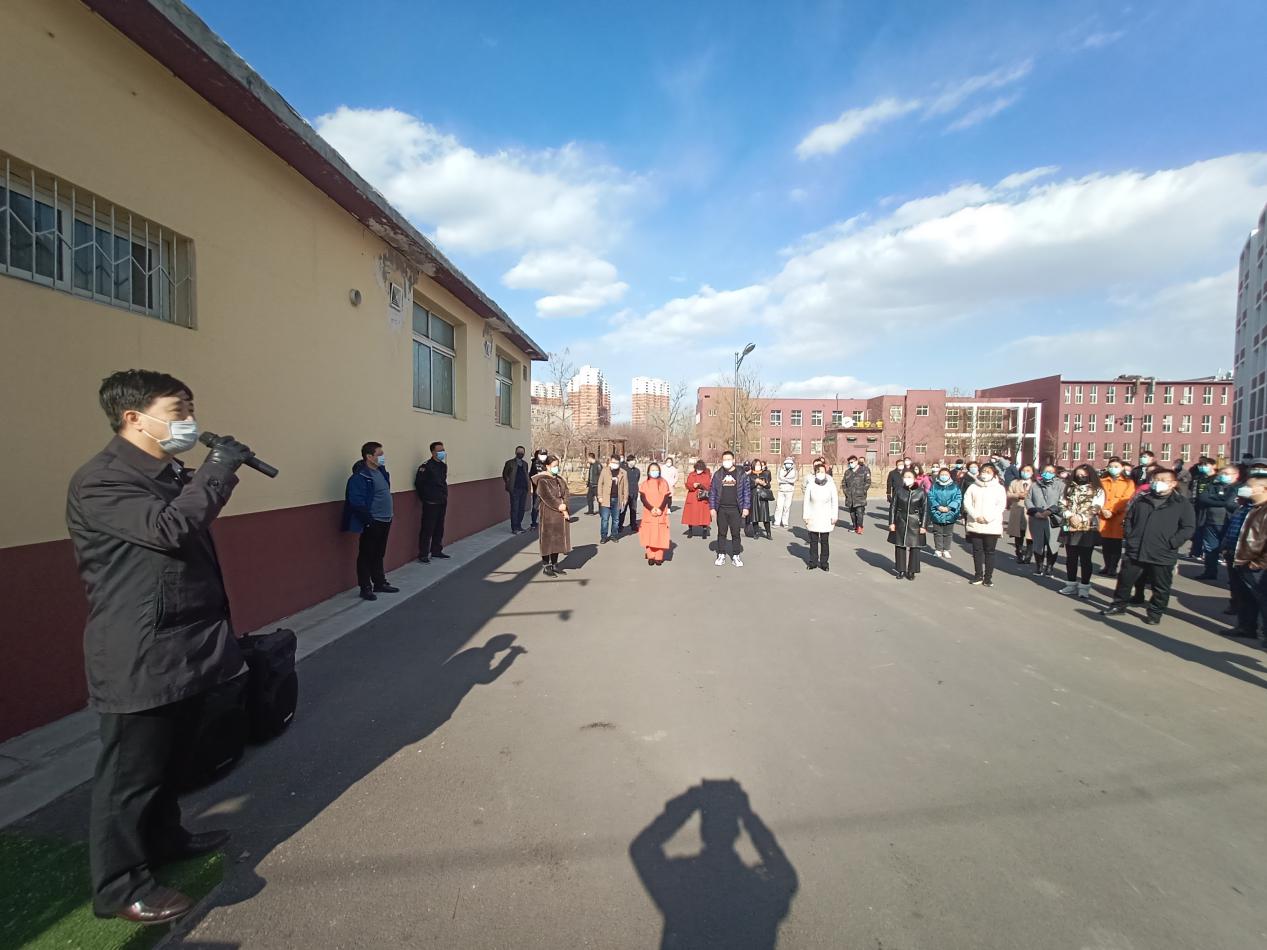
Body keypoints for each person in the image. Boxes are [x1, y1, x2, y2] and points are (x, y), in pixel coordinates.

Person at [65, 371, 249, 925]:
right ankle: (119, 888)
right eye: (178, 411)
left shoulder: (168, 473)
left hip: (183, 642)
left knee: (170, 761)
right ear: (133, 418)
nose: (189, 421)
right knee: (131, 778)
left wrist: (201, 476)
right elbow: (169, 530)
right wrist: (217, 470)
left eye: (191, 409)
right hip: (138, 650)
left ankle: (166, 839)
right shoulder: (102, 480)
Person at [1101, 469, 1195, 625]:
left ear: (1173, 483)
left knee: (1160, 586)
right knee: (1125, 580)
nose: (1157, 483)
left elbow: (1188, 527)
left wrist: (1173, 543)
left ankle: (1155, 612)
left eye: (1163, 480)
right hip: (1136, 548)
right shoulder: (1142, 499)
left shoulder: (1182, 503)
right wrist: (1130, 535)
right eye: (1155, 479)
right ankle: (1118, 605)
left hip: (1163, 551)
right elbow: (1129, 518)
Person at [344, 441, 401, 601]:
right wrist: (369, 521)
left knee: (379, 553)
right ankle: (365, 587)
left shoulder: (381, 472)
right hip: (373, 521)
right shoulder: (360, 477)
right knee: (366, 554)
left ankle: (379, 583)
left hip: (386, 519)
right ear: (369, 457)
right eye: (379, 454)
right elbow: (356, 501)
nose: (383, 457)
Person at [1058, 464, 1106, 599]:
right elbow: (1061, 504)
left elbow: (1096, 506)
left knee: (1085, 559)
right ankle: (1071, 584)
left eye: (1084, 475)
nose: (1081, 477)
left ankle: (1084, 586)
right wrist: (1069, 516)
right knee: (1071, 558)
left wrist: (1080, 517)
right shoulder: (1069, 488)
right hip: (1070, 526)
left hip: (1087, 528)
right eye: (1078, 475)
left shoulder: (1097, 490)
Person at [1224, 479, 1261, 637]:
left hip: (1251, 557)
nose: (1245, 489)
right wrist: (1225, 547)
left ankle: (1253, 627)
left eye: (1250, 487)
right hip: (1234, 554)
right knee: (1240, 592)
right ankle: (1245, 626)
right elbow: (1233, 528)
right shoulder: (1243, 508)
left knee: (1253, 594)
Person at [963, 462, 1007, 587]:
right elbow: (967, 502)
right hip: (975, 523)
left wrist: (988, 518)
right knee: (977, 551)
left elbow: (1001, 506)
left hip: (991, 525)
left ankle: (988, 578)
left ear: (994, 474)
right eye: (983, 471)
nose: (985, 474)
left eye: (988, 472)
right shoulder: (973, 487)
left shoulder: (999, 488)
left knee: (990, 551)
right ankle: (978, 575)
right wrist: (976, 516)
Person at [1193, 464, 1239, 579]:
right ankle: (1210, 572)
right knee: (1209, 549)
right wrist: (1222, 501)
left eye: (1226, 474)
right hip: (1210, 522)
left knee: (1229, 551)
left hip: (1228, 523)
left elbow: (1230, 503)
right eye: (1222, 473)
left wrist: (1215, 499)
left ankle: (1233, 577)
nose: (1223, 476)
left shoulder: (1238, 487)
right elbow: (1203, 498)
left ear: (1236, 475)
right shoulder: (1212, 485)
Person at [710, 450, 751, 568]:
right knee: (721, 533)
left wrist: (746, 507)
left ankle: (736, 555)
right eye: (724, 460)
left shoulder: (741, 474)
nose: (726, 461)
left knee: (736, 533)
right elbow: (713, 492)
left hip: (736, 509)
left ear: (733, 460)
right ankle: (721, 554)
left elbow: (746, 491)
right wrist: (712, 508)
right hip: (722, 509)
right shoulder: (718, 474)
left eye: (728, 459)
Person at [533, 455, 571, 576]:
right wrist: (559, 506)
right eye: (554, 466)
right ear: (548, 466)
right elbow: (547, 497)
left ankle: (555, 564)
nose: (556, 468)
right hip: (548, 514)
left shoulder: (559, 479)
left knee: (557, 540)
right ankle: (546, 566)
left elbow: (566, 493)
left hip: (559, 514)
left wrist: (565, 505)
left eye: (557, 466)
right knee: (547, 539)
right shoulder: (542, 481)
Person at [1097, 458, 1135, 577]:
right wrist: (1102, 510)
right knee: (1105, 542)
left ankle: (1113, 567)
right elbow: (1098, 496)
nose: (1113, 468)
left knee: (1116, 543)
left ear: (1122, 468)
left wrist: (1112, 511)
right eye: (1111, 466)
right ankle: (1107, 565)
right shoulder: (1102, 481)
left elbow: (1126, 499)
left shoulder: (1128, 483)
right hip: (1103, 515)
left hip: (1118, 516)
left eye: (1116, 466)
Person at [887, 467, 928, 579]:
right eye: (905, 477)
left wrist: (923, 525)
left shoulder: (921, 492)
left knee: (915, 547)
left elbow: (925, 510)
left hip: (915, 521)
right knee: (900, 546)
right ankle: (901, 570)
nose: (907, 479)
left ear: (914, 478)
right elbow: (893, 507)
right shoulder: (899, 491)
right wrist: (891, 522)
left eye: (909, 477)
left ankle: (912, 571)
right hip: (901, 521)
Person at [414, 441, 450, 564]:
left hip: (441, 500)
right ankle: (423, 553)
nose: (442, 453)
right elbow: (419, 484)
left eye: (443, 450)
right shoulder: (426, 467)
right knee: (427, 528)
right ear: (433, 452)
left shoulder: (443, 466)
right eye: (439, 451)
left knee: (439, 527)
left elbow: (442, 482)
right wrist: (426, 498)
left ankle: (436, 550)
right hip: (430, 502)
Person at [1027, 464, 1064, 578]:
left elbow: (1063, 501)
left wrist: (1050, 511)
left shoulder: (1061, 485)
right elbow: (1028, 500)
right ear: (1042, 472)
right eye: (1046, 471)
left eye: (1051, 472)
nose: (1048, 473)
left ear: (1055, 473)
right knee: (1038, 544)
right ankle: (1039, 566)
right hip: (1037, 519)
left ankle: (1049, 567)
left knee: (1052, 544)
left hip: (1053, 519)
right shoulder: (1034, 485)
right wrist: (1035, 512)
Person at [802, 460, 838, 571]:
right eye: (818, 471)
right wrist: (806, 516)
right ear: (815, 472)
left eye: (822, 471)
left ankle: (824, 563)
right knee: (813, 541)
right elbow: (806, 501)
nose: (820, 473)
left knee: (824, 541)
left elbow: (834, 501)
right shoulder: (811, 485)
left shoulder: (830, 484)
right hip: (813, 515)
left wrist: (834, 515)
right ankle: (813, 562)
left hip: (826, 516)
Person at [639, 462, 672, 566]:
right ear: (648, 472)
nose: (654, 471)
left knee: (660, 535)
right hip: (649, 513)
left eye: (656, 469)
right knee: (648, 534)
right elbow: (643, 498)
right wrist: (651, 508)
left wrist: (660, 509)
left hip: (661, 513)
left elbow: (666, 497)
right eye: (652, 470)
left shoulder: (663, 482)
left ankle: (659, 556)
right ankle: (650, 555)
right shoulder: (644, 484)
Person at [927, 467, 963, 560]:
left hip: (950, 513)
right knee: (937, 532)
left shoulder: (954, 487)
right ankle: (938, 549)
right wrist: (938, 506)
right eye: (942, 474)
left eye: (946, 474)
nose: (944, 476)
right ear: (939, 475)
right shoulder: (934, 486)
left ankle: (946, 549)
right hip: (936, 512)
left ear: (949, 475)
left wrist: (949, 507)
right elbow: (930, 497)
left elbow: (958, 498)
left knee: (948, 533)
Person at [596, 454, 628, 544]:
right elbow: (600, 484)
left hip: (617, 499)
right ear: (610, 461)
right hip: (606, 499)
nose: (615, 464)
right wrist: (600, 496)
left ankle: (614, 535)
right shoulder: (604, 471)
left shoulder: (623, 473)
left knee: (616, 519)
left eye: (617, 463)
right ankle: (604, 536)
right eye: (613, 462)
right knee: (605, 519)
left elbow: (625, 487)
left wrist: (625, 499)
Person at [1006, 463, 1034, 563]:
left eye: (1028, 471)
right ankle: (1019, 552)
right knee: (1018, 534)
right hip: (1017, 510)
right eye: (1023, 470)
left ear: (1032, 472)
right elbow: (1008, 494)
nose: (1025, 472)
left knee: (1030, 535)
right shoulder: (1014, 482)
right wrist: (1018, 495)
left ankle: (1029, 555)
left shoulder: (1035, 484)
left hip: (1030, 511)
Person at [501, 446, 531, 534]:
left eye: (522, 452)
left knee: (522, 508)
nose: (520, 454)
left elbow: (526, 474)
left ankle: (519, 525)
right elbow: (505, 474)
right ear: (516, 452)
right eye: (519, 452)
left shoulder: (525, 464)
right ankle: (514, 528)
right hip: (514, 489)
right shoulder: (510, 463)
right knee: (515, 508)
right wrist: (509, 483)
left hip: (524, 489)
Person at [683, 461, 713, 539]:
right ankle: (690, 530)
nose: (699, 470)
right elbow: (687, 484)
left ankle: (704, 529)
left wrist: (701, 485)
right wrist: (693, 485)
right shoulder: (691, 474)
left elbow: (709, 486)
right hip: (692, 496)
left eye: (700, 468)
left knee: (703, 515)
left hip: (702, 497)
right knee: (691, 515)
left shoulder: (706, 475)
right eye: (698, 468)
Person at [842, 456, 870, 535]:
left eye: (852, 462)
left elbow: (868, 482)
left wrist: (863, 490)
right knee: (852, 513)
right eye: (849, 463)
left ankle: (860, 527)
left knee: (860, 512)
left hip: (860, 496)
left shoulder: (864, 470)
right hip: (850, 497)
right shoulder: (847, 472)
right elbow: (843, 483)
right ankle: (855, 526)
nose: (851, 464)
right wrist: (846, 492)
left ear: (856, 461)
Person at [747, 459, 773, 539]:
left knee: (765, 516)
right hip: (754, 496)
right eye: (756, 465)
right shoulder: (750, 475)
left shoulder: (764, 474)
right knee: (755, 516)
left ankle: (768, 533)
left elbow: (768, 486)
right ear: (753, 466)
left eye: (759, 465)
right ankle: (756, 532)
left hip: (763, 497)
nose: (758, 466)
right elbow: (748, 486)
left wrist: (764, 483)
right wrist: (755, 483)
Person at [528, 449, 549, 529]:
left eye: (545, 454)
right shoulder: (534, 463)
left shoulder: (548, 462)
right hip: (537, 488)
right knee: (535, 506)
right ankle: (533, 522)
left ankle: (546, 521)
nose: (543, 456)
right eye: (542, 454)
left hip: (547, 488)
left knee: (546, 506)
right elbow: (531, 475)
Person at [621, 455, 642, 534]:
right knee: (623, 510)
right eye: (632, 460)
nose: (634, 462)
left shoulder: (637, 471)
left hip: (634, 493)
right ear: (628, 461)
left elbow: (637, 479)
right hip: (626, 494)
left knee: (633, 510)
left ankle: (633, 525)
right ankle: (620, 525)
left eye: (634, 461)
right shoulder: (624, 470)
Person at [775, 457, 797, 528]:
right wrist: (788, 480)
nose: (788, 465)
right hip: (781, 490)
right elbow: (779, 479)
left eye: (790, 463)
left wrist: (784, 479)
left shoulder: (794, 470)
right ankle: (777, 522)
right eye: (787, 463)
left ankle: (785, 522)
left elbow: (793, 480)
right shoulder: (780, 469)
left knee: (786, 507)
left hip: (790, 491)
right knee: (779, 506)